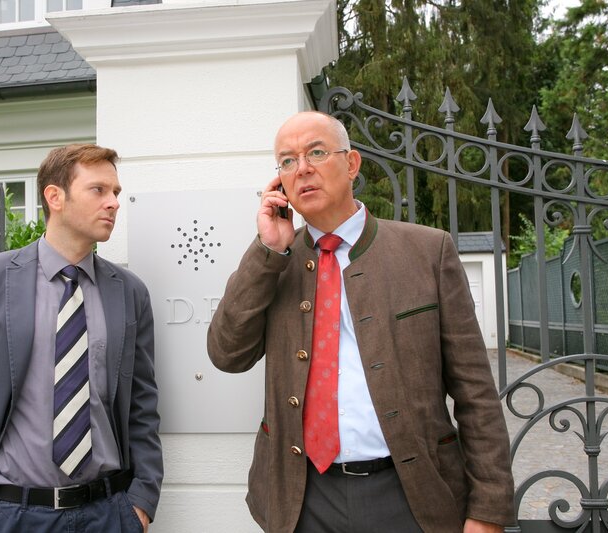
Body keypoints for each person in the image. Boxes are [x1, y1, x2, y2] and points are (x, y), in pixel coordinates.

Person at [207, 112, 514, 533]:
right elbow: (227, 354)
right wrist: (267, 250)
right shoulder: (275, 260)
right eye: (288, 161)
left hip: (411, 494)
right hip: (302, 498)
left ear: (351, 164)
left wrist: (488, 508)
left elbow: (475, 390)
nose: (303, 169)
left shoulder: (427, 251)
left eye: (316, 152)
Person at [0, 144, 163, 533]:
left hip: (108, 514)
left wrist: (141, 500)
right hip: (8, 515)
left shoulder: (129, 292)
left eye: (116, 192)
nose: (114, 203)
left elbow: (142, 404)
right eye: (98, 190)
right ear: (55, 197)